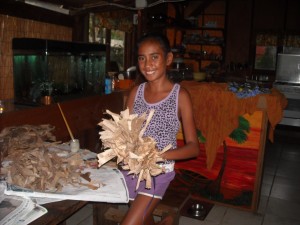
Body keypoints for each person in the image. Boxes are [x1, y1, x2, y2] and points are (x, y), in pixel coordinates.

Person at [120, 33, 200, 225]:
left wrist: (159, 156)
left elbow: (193, 147)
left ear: (168, 59)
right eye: (142, 58)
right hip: (131, 169)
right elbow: (124, 134)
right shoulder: (135, 93)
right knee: (143, 217)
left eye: (154, 57)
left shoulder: (180, 96)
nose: (147, 65)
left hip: (158, 171)